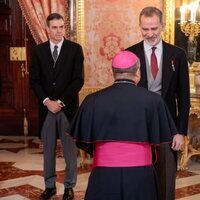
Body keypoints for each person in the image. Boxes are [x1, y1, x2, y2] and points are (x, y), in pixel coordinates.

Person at [67, 50, 178, 200]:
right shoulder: (154, 101)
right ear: (138, 72)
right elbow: (160, 138)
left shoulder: (92, 100)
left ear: (112, 73)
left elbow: (82, 141)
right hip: (140, 176)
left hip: (104, 175)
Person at [127, 6, 190, 200]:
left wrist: (180, 132)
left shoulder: (177, 55)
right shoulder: (130, 54)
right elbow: (126, 96)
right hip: (138, 126)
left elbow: (184, 96)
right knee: (139, 175)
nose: (150, 34)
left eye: (154, 28)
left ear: (162, 26)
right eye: (145, 29)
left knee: (166, 176)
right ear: (139, 27)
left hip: (168, 126)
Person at [30, 13, 84, 200]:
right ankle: (49, 186)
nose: (59, 30)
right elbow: (34, 81)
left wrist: (60, 102)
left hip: (67, 109)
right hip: (46, 110)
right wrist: (47, 102)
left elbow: (78, 80)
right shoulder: (38, 51)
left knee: (70, 151)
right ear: (47, 29)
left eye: (61, 27)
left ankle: (69, 187)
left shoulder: (75, 49)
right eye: (54, 27)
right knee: (48, 151)